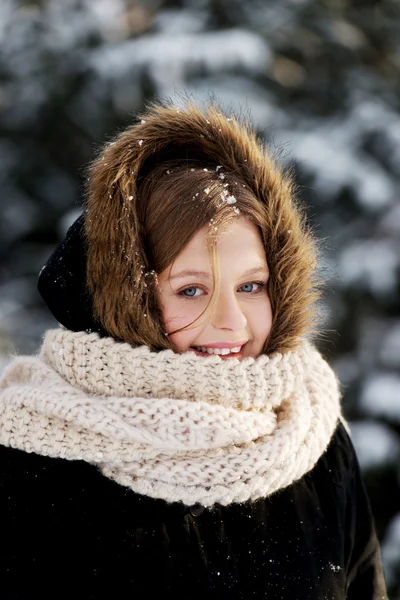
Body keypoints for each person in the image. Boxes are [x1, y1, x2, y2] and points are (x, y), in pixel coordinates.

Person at [0, 100, 387, 599]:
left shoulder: (312, 434)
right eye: (190, 290)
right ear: (127, 297)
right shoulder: (30, 462)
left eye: (251, 286)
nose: (231, 323)